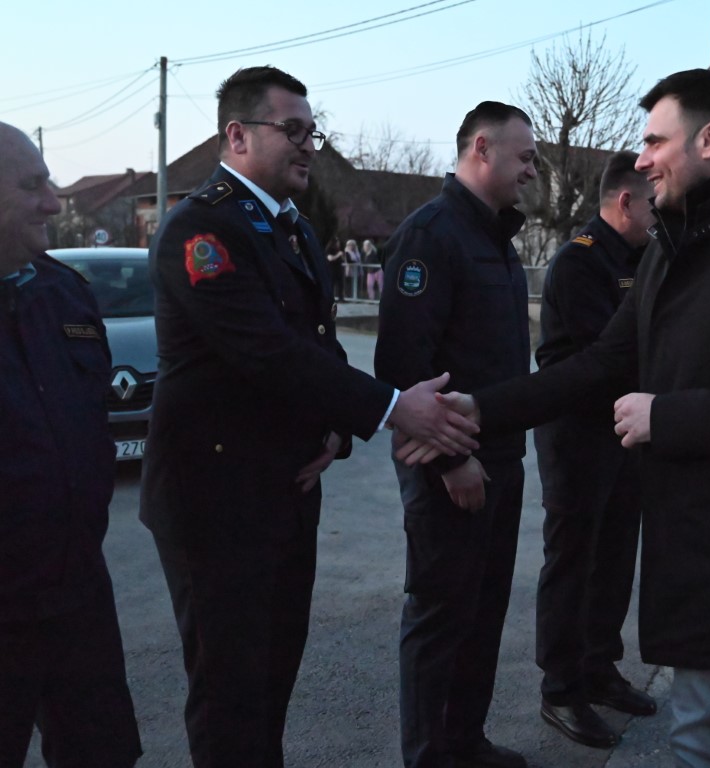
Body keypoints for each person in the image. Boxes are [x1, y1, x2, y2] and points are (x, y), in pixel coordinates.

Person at [412, 69, 710, 768]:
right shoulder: (670, 250)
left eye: (655, 141)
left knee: (704, 737)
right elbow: (598, 363)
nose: (642, 160)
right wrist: (482, 409)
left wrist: (665, 418)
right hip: (693, 540)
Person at [140, 66, 478, 768]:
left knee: (271, 679)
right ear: (237, 135)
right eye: (291, 130)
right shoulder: (202, 228)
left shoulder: (288, 227)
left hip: (284, 488)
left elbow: (316, 347)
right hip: (215, 497)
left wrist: (332, 430)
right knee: (231, 693)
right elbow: (263, 350)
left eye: (311, 132)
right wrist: (395, 408)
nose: (308, 146)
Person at [374, 100, 538, 768]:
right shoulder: (432, 236)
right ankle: (430, 756)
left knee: (483, 612)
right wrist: (450, 463)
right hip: (453, 469)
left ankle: (464, 743)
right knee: (441, 616)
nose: (532, 170)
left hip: (501, 459)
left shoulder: (495, 238)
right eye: (525, 156)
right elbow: (403, 366)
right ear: (481, 148)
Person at [0, 122, 142, 768]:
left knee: (101, 751)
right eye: (32, 186)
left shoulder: (64, 293)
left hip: (76, 588)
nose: (53, 203)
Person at [533, 151, 656, 750]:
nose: (660, 213)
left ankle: (599, 667)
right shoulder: (580, 262)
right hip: (578, 434)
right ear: (625, 201)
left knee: (614, 557)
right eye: (652, 203)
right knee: (573, 560)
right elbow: (605, 357)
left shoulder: (639, 257)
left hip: (623, 432)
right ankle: (561, 687)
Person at [325, 235, 345, 301]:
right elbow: (330, 258)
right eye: (337, 242)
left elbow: (343, 260)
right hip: (332, 269)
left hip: (339, 269)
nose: (338, 243)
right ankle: (330, 297)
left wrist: (342, 256)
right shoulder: (329, 249)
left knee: (340, 284)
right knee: (332, 284)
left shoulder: (338, 250)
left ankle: (341, 297)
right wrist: (338, 255)